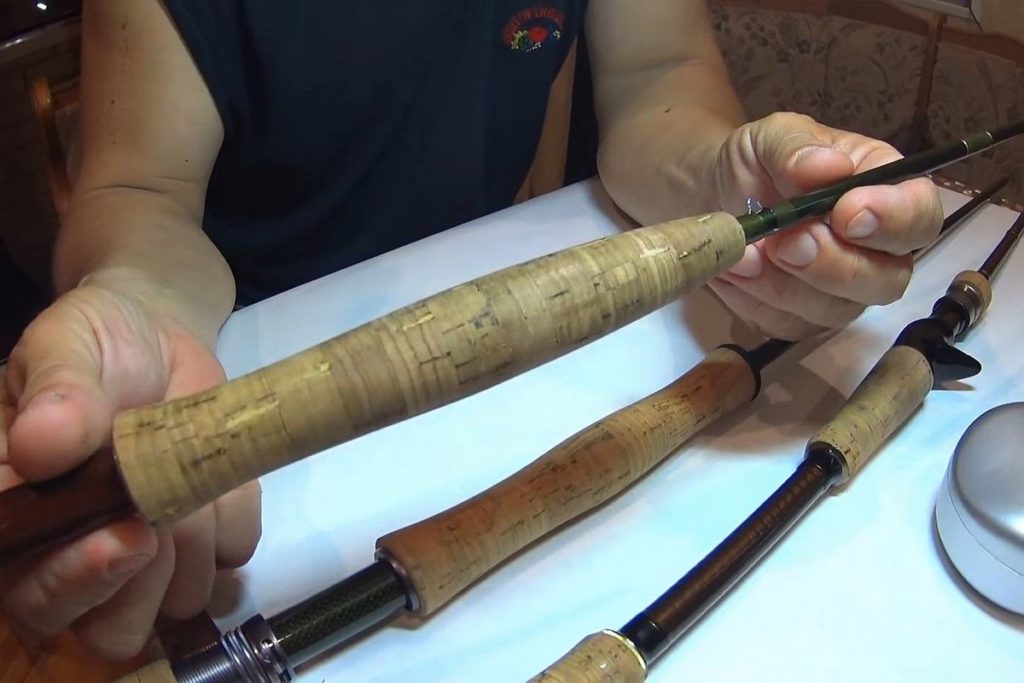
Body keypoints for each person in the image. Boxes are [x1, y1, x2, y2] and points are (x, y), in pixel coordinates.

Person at [0, 0, 942, 660]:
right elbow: (142, 192)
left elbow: (659, 74)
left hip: (485, 387)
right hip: (237, 395)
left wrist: (725, 180)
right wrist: (139, 304)